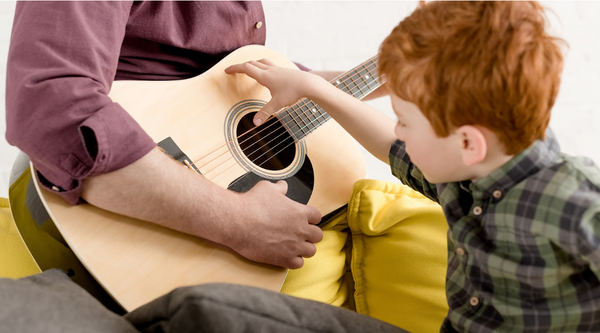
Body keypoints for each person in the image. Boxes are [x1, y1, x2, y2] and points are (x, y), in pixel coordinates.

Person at [225, 1, 600, 332]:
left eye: (404, 120)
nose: (398, 129)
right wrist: (314, 88)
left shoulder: (577, 199)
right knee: (208, 310)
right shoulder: (463, 173)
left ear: (468, 142)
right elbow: (387, 144)